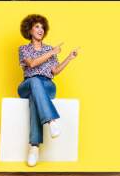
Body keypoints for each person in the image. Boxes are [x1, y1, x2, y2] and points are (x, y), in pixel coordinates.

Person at [17, 14, 79, 167]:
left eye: (42, 27)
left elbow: (55, 71)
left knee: (35, 97)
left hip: (47, 85)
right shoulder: (24, 49)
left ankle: (34, 147)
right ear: (29, 30)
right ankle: (51, 120)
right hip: (28, 83)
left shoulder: (50, 48)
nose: (41, 30)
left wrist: (69, 58)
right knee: (34, 81)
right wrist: (52, 53)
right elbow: (31, 64)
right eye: (37, 26)